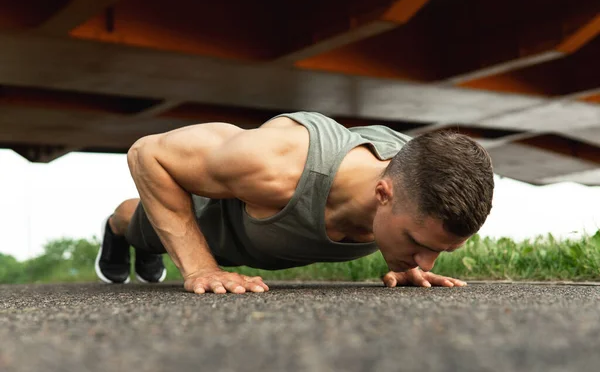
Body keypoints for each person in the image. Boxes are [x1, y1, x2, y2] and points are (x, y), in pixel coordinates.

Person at [95, 111, 494, 294]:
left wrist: (405, 261)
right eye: (419, 244)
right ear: (382, 194)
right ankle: (116, 230)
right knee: (142, 229)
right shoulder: (274, 164)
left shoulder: (419, 182)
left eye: (438, 250)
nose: (428, 262)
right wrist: (199, 266)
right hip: (211, 225)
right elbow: (148, 154)